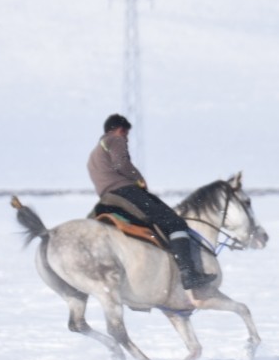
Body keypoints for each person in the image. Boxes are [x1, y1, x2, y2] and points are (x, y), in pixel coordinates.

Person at [86, 114, 217, 291]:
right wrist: (138, 178)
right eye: (126, 134)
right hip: (126, 191)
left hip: (107, 197)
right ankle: (188, 273)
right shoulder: (115, 139)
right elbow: (121, 164)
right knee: (175, 222)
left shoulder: (94, 154)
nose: (126, 138)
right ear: (120, 129)